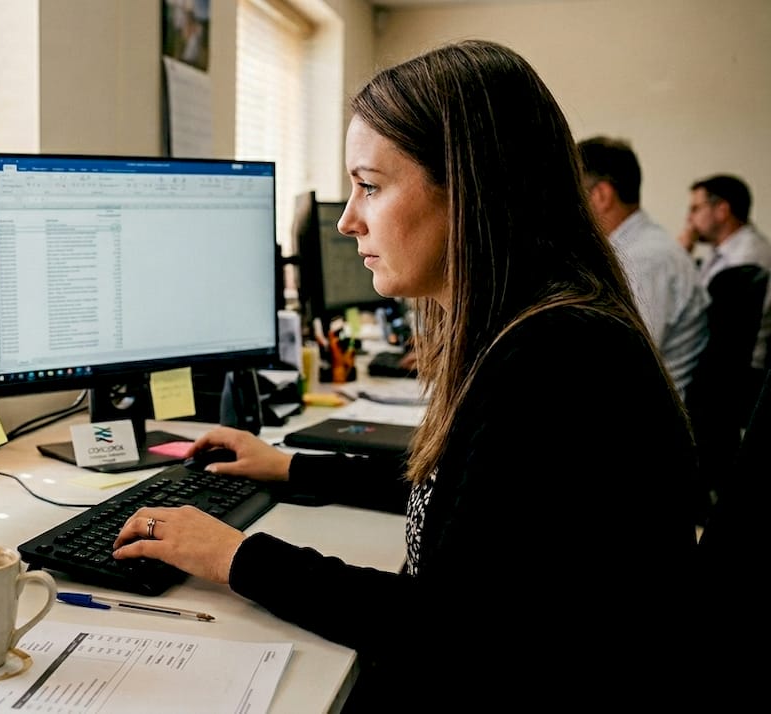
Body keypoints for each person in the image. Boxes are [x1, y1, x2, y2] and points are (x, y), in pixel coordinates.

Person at [112, 40, 699, 708]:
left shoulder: (556, 360)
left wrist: (234, 556)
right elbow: (470, 496)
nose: (347, 219)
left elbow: (446, 630)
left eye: (371, 185)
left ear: (471, 187)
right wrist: (292, 467)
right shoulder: (538, 325)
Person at [577, 136, 709, 398]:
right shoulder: (641, 249)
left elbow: (621, 364)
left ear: (601, 196)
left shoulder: (644, 260)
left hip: (647, 420)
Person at [683, 174, 771, 396]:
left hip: (736, 375)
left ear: (722, 210)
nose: (689, 219)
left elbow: (701, 317)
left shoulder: (748, 257)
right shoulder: (720, 252)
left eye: (695, 209)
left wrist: (679, 256)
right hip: (718, 363)